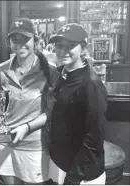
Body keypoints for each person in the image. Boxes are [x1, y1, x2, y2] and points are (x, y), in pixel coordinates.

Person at [0, 17, 59, 185]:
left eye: (25, 39)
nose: (20, 44)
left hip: (34, 146)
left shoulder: (49, 70)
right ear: (9, 42)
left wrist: (26, 127)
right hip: (6, 144)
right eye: (15, 39)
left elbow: (51, 112)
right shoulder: (1, 70)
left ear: (35, 41)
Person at [48, 23, 107, 184]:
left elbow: (93, 138)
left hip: (82, 175)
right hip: (61, 164)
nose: (63, 50)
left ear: (83, 48)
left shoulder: (90, 84)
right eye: (59, 45)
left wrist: (74, 177)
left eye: (71, 45)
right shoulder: (63, 75)